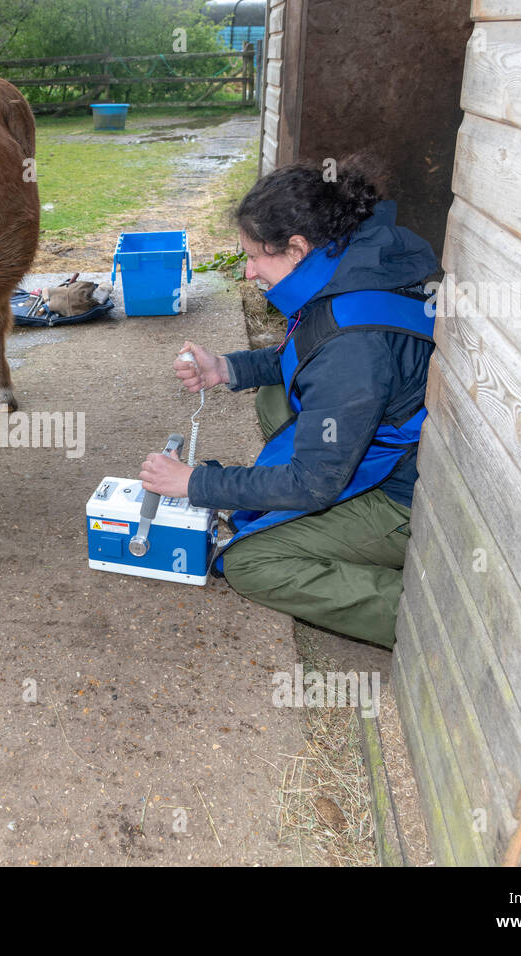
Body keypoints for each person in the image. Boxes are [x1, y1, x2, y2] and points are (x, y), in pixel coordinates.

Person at [138, 155, 438, 647]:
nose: (249, 271)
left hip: (406, 499)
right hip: (391, 434)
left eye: (256, 257)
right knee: (275, 397)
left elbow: (313, 484)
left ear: (297, 248)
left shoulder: (353, 349)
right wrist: (226, 368)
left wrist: (197, 483)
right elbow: (304, 351)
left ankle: (423, 628)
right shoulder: (357, 262)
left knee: (249, 562)